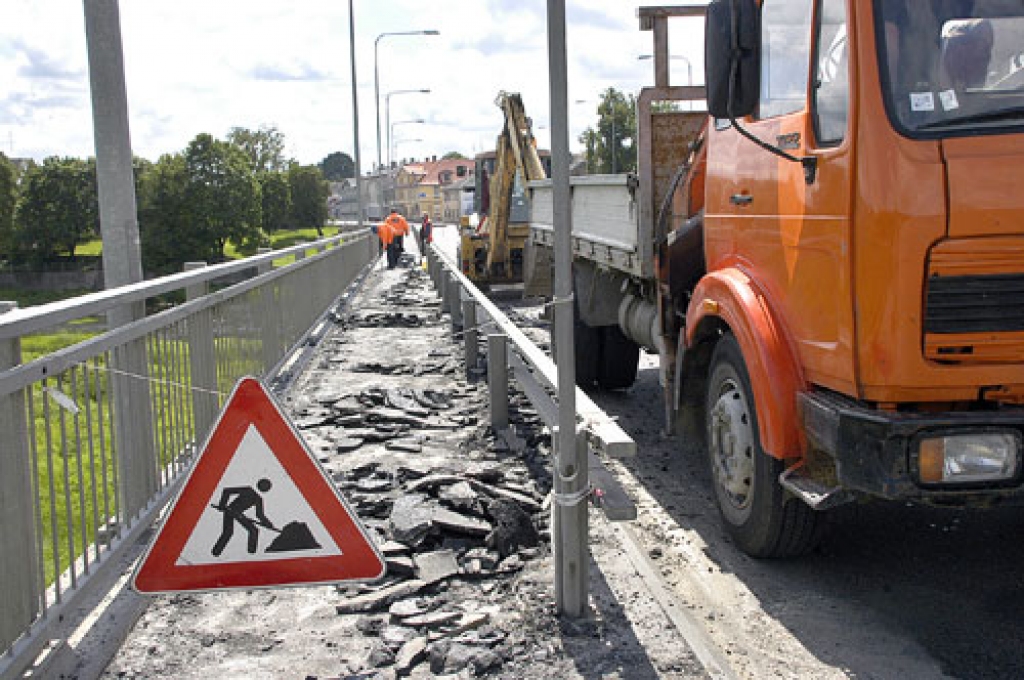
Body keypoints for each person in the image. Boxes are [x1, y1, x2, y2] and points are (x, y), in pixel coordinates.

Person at [211, 479, 275, 556]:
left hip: (239, 514)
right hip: (230, 510)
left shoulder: (258, 499)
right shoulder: (247, 490)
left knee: (254, 530)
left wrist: (268, 524)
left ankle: (251, 553)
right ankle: (216, 552)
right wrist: (222, 505)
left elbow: (259, 515)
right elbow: (227, 491)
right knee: (228, 532)